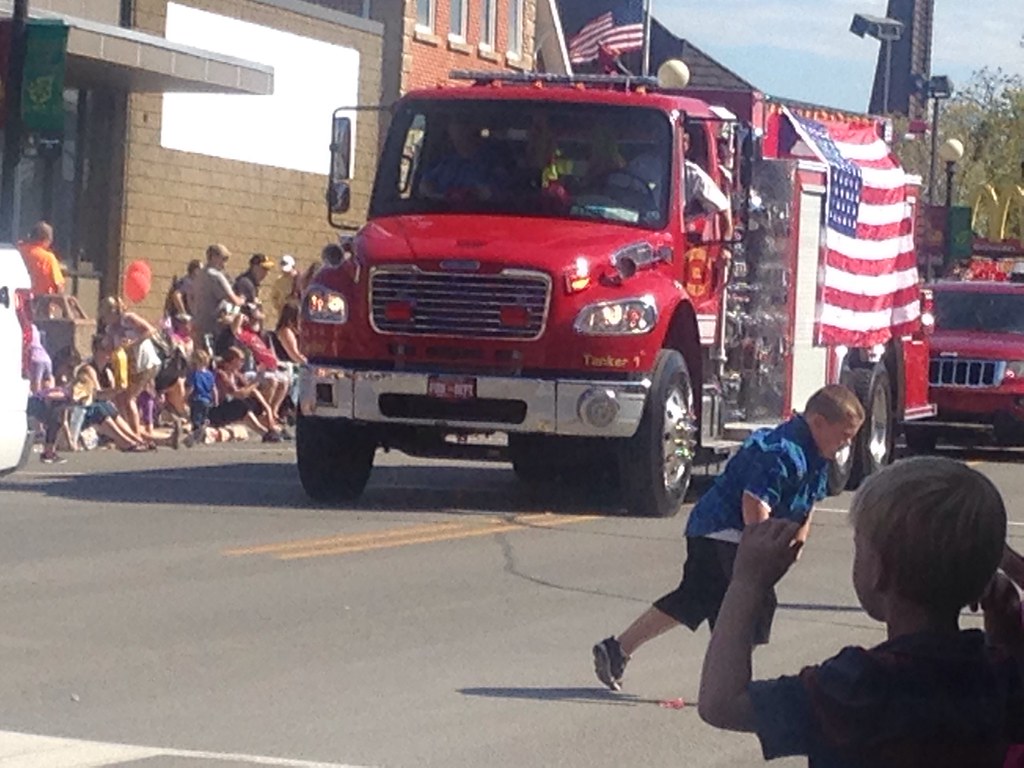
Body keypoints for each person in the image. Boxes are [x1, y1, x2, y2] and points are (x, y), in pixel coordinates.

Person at [698, 456, 1024, 766]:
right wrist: (1006, 631)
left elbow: (722, 703)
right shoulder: (997, 677)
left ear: (879, 571)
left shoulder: (857, 686)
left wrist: (747, 583)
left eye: (860, 548)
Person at [592, 384, 865, 691]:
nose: (846, 444)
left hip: (729, 534)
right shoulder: (780, 452)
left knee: (695, 598)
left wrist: (799, 539)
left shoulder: (816, 453)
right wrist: (759, 551)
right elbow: (754, 501)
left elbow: (809, 499)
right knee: (749, 604)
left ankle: (617, 650)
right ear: (818, 423)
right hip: (723, 530)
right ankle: (729, 685)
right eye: (844, 435)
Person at [420, 119, 507, 201]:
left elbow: (494, 194)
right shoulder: (445, 163)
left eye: (464, 126)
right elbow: (424, 185)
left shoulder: (492, 162)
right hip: (440, 212)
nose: (460, 134)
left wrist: (468, 194)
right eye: (455, 127)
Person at [191, 244, 244, 343]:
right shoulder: (216, 276)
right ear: (213, 257)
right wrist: (242, 299)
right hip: (215, 329)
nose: (225, 263)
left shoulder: (199, 275)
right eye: (224, 258)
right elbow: (234, 300)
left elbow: (191, 297)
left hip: (198, 325)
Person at [17, 221, 65, 296]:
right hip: (40, 303)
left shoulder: (17, 251)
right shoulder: (48, 258)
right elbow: (59, 286)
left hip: (16, 301)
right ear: (46, 240)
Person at [186, 348, 215, 438]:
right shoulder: (209, 374)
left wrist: (185, 397)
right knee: (203, 417)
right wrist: (215, 399)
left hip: (197, 399)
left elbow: (191, 387)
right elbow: (214, 388)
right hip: (207, 399)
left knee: (195, 419)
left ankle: (196, 434)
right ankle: (203, 429)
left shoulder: (194, 374)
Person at [269, 254, 299, 319]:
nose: (285, 272)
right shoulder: (279, 281)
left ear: (293, 267)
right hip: (283, 316)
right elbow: (274, 296)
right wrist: (279, 306)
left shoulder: (300, 279)